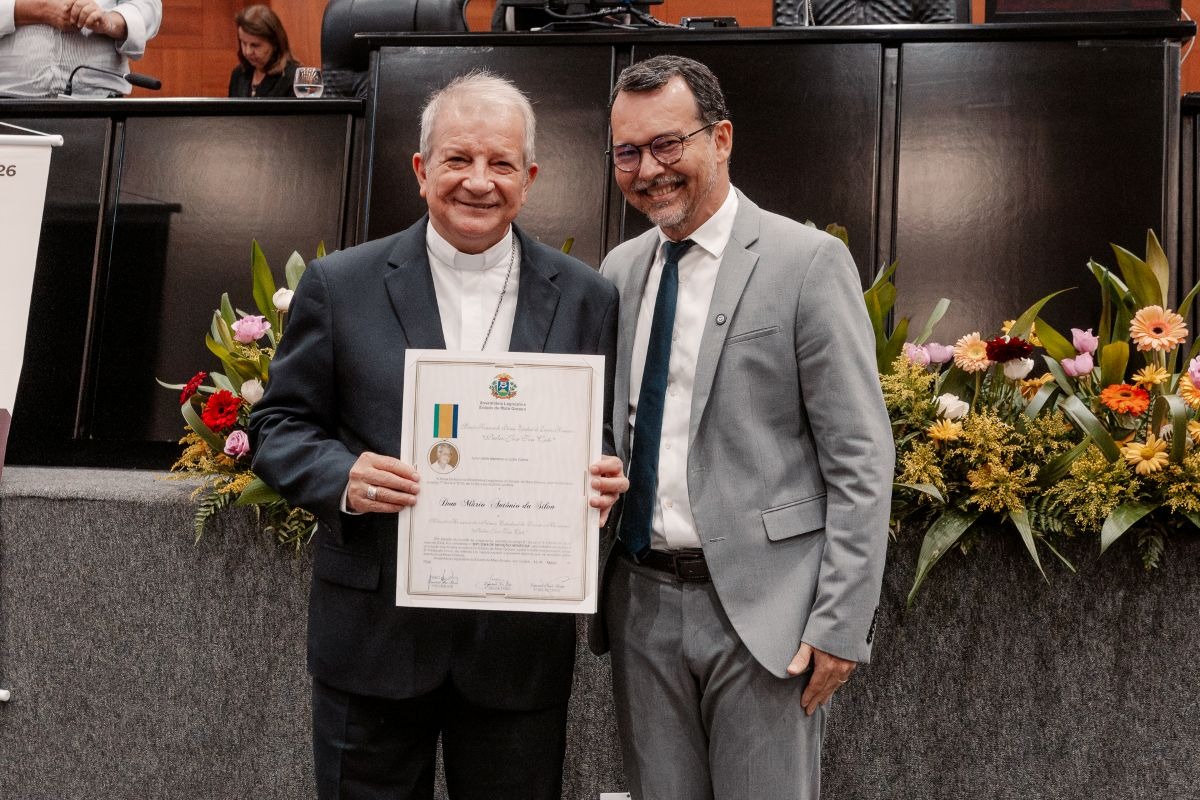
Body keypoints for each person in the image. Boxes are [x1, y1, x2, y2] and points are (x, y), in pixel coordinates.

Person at [249, 71, 626, 800]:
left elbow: (601, 432)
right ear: (422, 170)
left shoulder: (588, 297)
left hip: (516, 651)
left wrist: (605, 473)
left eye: (501, 162)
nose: (478, 181)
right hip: (373, 641)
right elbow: (277, 425)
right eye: (458, 159)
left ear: (529, 179)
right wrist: (342, 477)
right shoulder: (340, 284)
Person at [595, 54, 895, 799]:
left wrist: (841, 622)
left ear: (721, 138)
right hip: (640, 603)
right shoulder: (619, 272)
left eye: (668, 144)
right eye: (628, 153)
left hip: (768, 615)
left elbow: (861, 456)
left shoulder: (807, 262)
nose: (648, 170)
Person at [0, 0, 161, 97]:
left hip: (100, 101)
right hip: (9, 97)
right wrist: (39, 9)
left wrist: (109, 21)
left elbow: (147, 7)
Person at [227, 4, 297, 99]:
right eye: (243, 43)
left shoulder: (293, 79)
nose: (247, 52)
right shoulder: (238, 74)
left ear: (275, 43)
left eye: (255, 45)